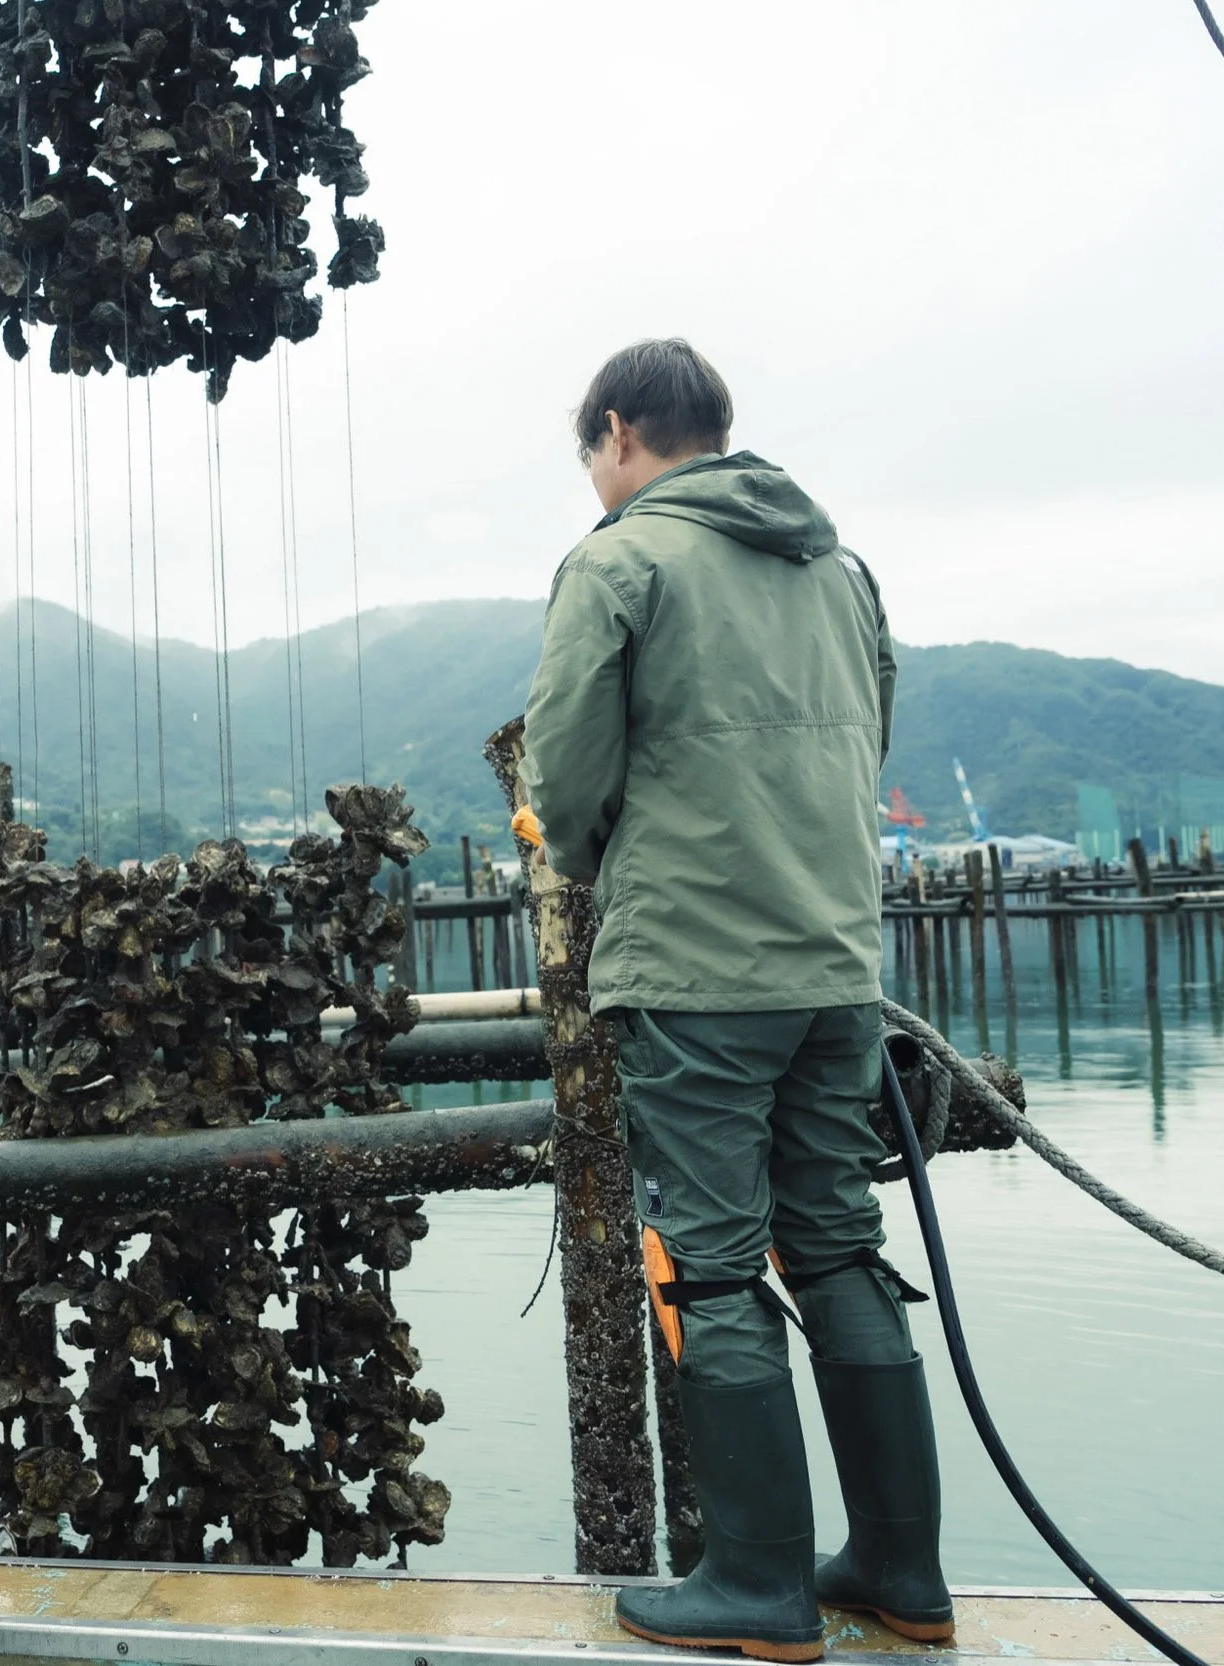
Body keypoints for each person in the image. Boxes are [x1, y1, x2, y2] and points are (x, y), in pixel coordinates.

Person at [516, 339, 946, 1662]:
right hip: (834, 964)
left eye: (592, 449)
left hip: (698, 965)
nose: (594, 473)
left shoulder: (619, 558)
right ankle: (899, 1570)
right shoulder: (837, 565)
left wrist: (580, 854)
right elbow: (871, 730)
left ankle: (757, 1583)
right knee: (836, 1241)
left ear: (621, 429)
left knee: (710, 1261)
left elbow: (568, 760)